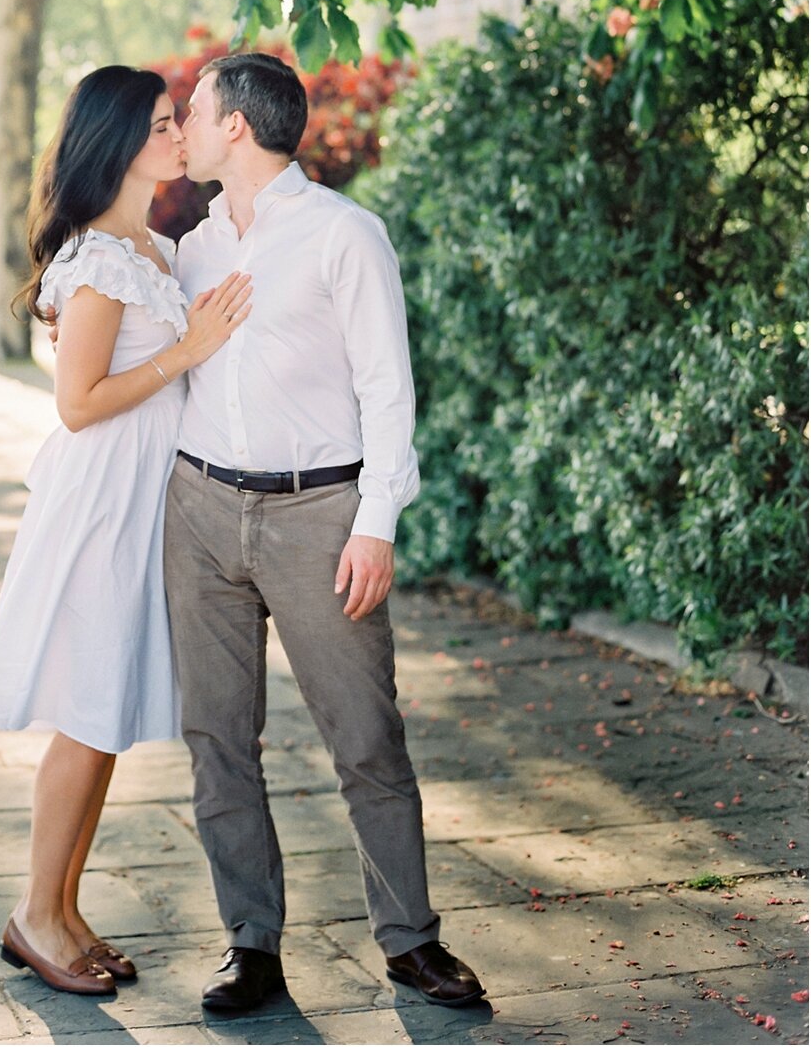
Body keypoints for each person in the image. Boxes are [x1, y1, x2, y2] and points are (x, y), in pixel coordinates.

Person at [165, 51, 485, 1013]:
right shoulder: (195, 245)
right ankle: (250, 946)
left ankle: (410, 943)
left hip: (320, 515)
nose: (180, 123)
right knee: (217, 737)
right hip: (201, 512)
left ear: (236, 127)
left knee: (365, 738)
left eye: (193, 108)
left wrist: (375, 523)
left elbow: (389, 389)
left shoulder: (348, 236)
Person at [0, 65, 252, 997]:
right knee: (84, 718)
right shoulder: (97, 259)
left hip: (143, 503)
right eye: (164, 125)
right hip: (98, 506)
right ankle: (35, 916)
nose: (179, 137)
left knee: (105, 718)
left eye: (178, 122)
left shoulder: (154, 249)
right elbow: (78, 404)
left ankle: (64, 907)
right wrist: (187, 351)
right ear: (122, 143)